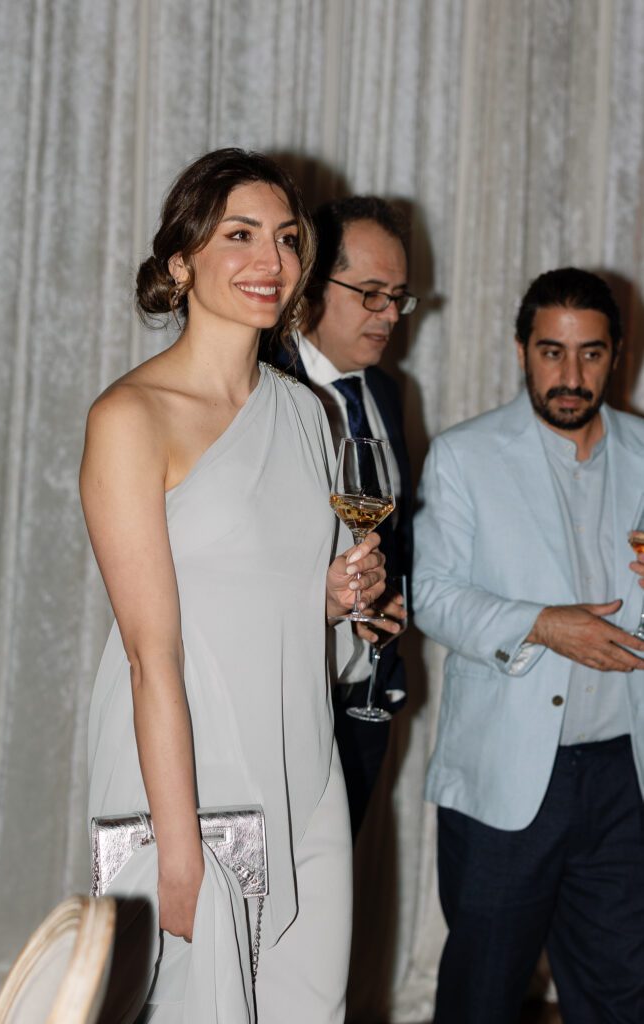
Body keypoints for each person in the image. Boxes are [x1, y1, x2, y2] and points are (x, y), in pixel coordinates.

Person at [81, 148, 391, 1024]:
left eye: (288, 239)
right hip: (186, 770)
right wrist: (178, 848)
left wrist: (333, 597)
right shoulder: (129, 417)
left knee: (305, 1001)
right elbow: (150, 655)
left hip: (302, 757)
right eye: (240, 235)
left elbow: (283, 594)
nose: (272, 261)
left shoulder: (306, 413)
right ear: (181, 262)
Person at [412, 267, 644, 1024]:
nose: (569, 375)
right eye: (551, 352)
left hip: (623, 776)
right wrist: (543, 623)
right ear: (520, 351)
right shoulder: (463, 456)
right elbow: (431, 597)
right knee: (481, 993)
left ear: (616, 354)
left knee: (620, 994)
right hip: (505, 776)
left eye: (589, 354)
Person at [270, 196, 415, 839]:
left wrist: (393, 602)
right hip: (277, 707)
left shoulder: (387, 391)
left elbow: (393, 535)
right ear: (310, 284)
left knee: (336, 919)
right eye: (372, 293)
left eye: (400, 298)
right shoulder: (261, 387)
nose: (389, 316)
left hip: (363, 703)